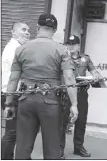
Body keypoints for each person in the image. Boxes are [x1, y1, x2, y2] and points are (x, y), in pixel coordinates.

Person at [3, 14, 79, 159]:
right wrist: (74, 104)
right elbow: (69, 77)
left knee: (23, 146)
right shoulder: (62, 50)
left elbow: (13, 79)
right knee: (52, 147)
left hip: (26, 100)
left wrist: (8, 104)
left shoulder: (21, 49)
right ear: (55, 30)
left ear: (37, 27)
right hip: (50, 102)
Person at [60, 35, 103, 159]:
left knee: (81, 121)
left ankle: (78, 148)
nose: (70, 46)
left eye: (73, 44)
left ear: (78, 45)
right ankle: (59, 149)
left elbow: (94, 71)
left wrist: (96, 75)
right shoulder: (63, 58)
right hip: (66, 93)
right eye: (69, 44)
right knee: (62, 122)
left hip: (82, 94)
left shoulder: (85, 58)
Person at [1, 22, 30, 160]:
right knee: (12, 131)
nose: (27, 33)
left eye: (28, 30)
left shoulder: (17, 47)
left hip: (12, 94)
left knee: (15, 131)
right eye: (23, 30)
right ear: (13, 32)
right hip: (11, 96)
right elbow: (16, 75)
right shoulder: (14, 48)